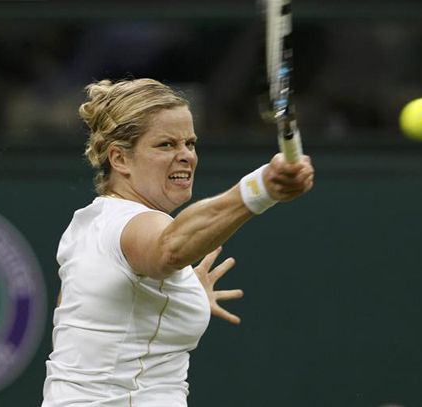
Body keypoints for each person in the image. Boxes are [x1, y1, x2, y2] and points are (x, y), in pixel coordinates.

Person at [41, 78, 314, 406]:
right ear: (120, 159)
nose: (186, 156)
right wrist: (260, 189)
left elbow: (90, 322)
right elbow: (168, 249)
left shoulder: (85, 226)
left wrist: (181, 298)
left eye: (190, 143)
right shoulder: (127, 223)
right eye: (166, 145)